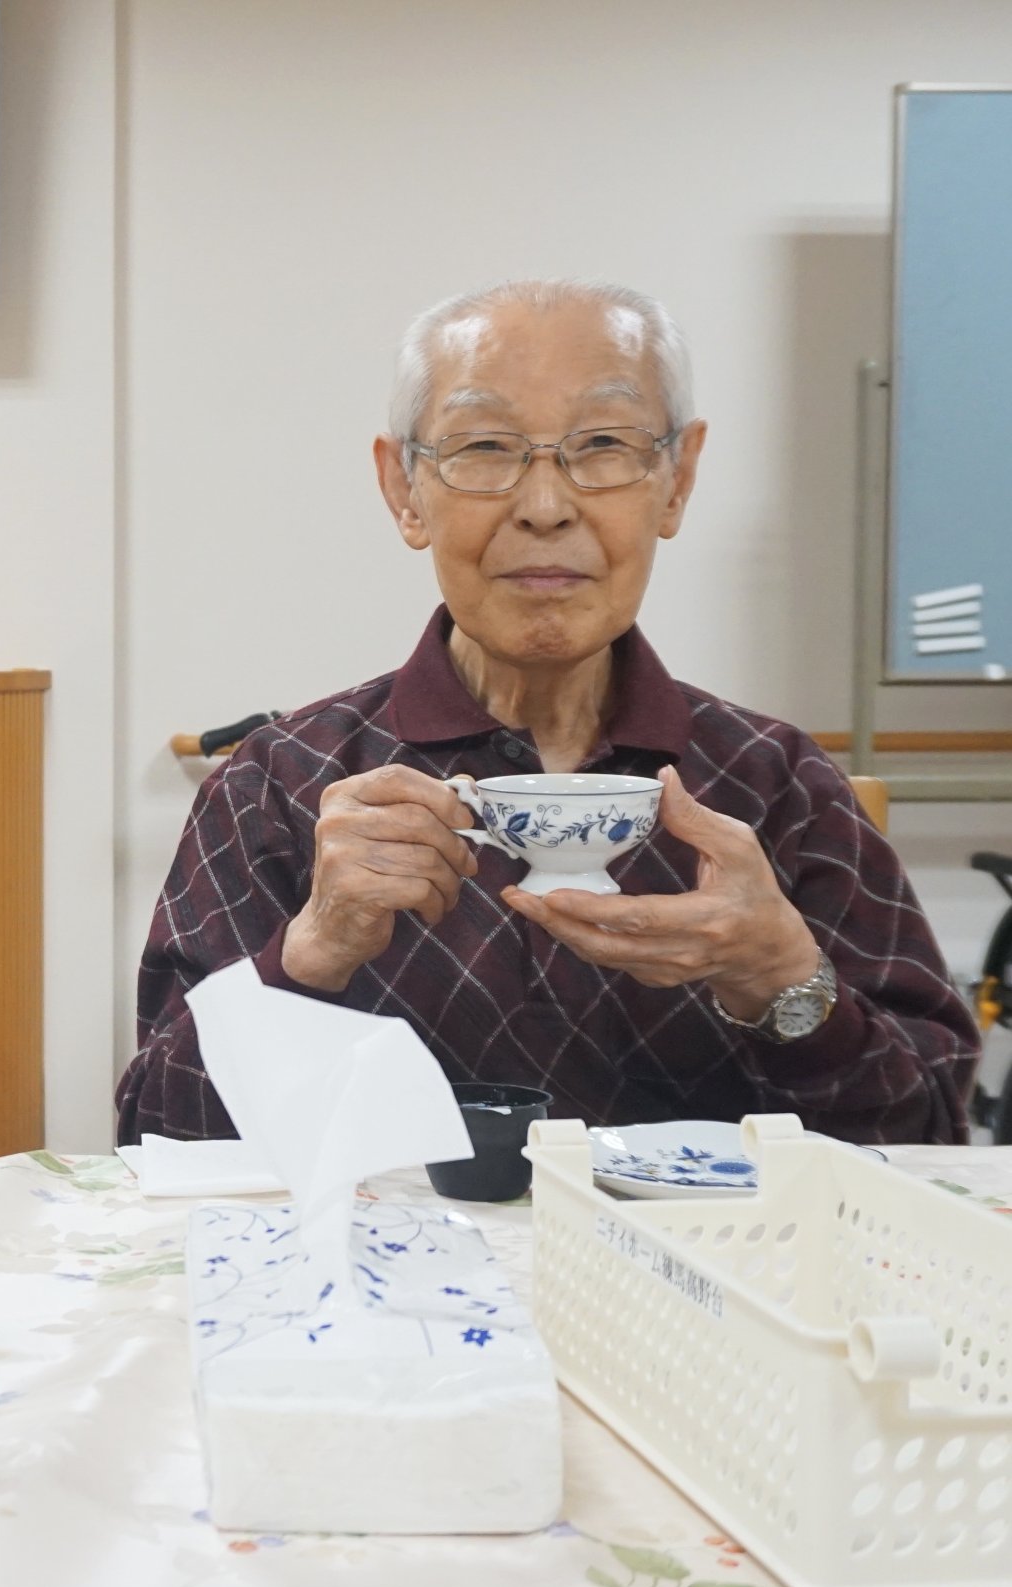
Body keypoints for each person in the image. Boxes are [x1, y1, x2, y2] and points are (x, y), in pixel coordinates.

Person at [119, 280, 977, 1147]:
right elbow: (154, 1137)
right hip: (392, 1275)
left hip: (704, 1272)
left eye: (603, 444)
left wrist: (784, 980)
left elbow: (933, 1137)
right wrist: (309, 954)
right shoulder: (284, 783)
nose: (543, 505)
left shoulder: (776, 784)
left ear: (676, 481)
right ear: (403, 489)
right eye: (485, 447)